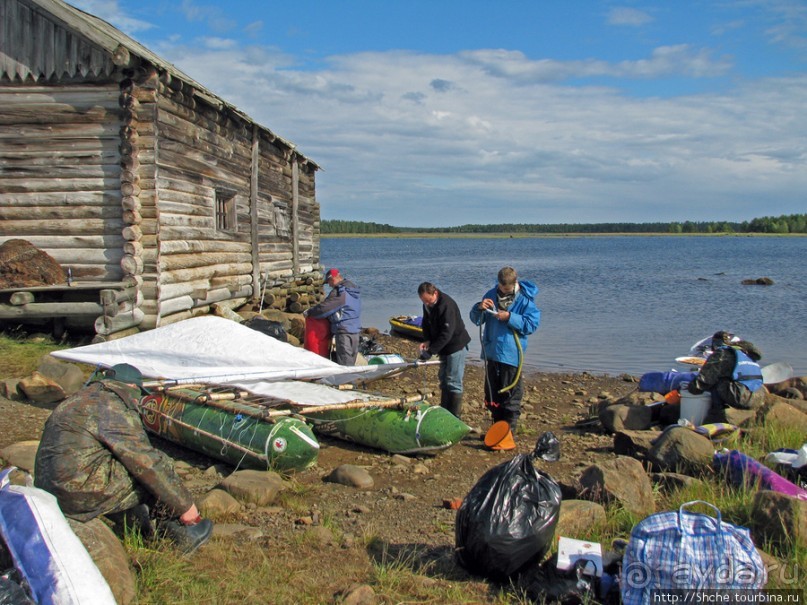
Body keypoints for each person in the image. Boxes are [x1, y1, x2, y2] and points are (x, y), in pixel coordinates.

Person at [34, 363, 213, 554]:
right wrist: (185, 506)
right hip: (75, 494)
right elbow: (146, 462)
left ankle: (138, 529)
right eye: (139, 395)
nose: (138, 401)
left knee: (116, 466)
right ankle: (181, 535)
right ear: (132, 388)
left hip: (48, 491)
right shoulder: (113, 406)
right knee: (157, 466)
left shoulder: (78, 399)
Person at [469, 266, 541, 434]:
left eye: (506, 290)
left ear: (514, 283)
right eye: (501, 289)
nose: (503, 292)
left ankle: (508, 431)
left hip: (511, 354)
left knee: (510, 394)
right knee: (492, 394)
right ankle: (497, 428)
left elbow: (531, 325)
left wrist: (509, 317)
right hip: (492, 352)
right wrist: (479, 308)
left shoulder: (525, 300)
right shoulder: (490, 294)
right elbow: (476, 320)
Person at [417, 282, 472, 419]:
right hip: (443, 348)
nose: (427, 304)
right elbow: (426, 322)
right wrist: (427, 340)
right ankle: (444, 412)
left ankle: (454, 417)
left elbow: (446, 333)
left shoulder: (446, 305)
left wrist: (431, 352)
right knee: (443, 379)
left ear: (434, 293)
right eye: (424, 301)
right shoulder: (428, 305)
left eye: (428, 301)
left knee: (453, 381)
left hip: (456, 346)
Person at [687, 332, 766, 414]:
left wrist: (691, 388)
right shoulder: (745, 353)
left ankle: (718, 413)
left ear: (715, 343)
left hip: (741, 397)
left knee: (716, 381)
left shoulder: (722, 353)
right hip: (759, 396)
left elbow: (704, 380)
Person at [306, 268, 362, 365]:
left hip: (343, 330)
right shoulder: (353, 290)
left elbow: (325, 308)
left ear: (333, 279)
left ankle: (346, 379)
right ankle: (351, 377)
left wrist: (310, 312)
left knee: (345, 362)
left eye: (328, 282)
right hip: (355, 329)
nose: (329, 285)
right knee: (351, 358)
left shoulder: (339, 292)